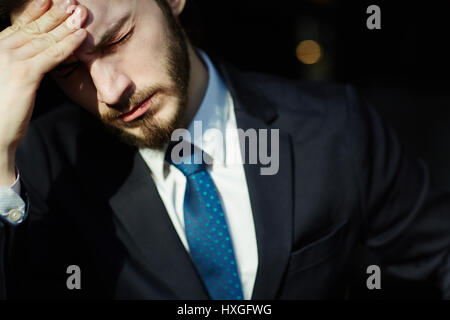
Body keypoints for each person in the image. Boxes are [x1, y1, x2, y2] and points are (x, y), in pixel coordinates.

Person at [0, 0, 449, 300]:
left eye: (118, 40)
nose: (111, 91)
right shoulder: (36, 169)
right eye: (68, 70)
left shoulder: (336, 128)